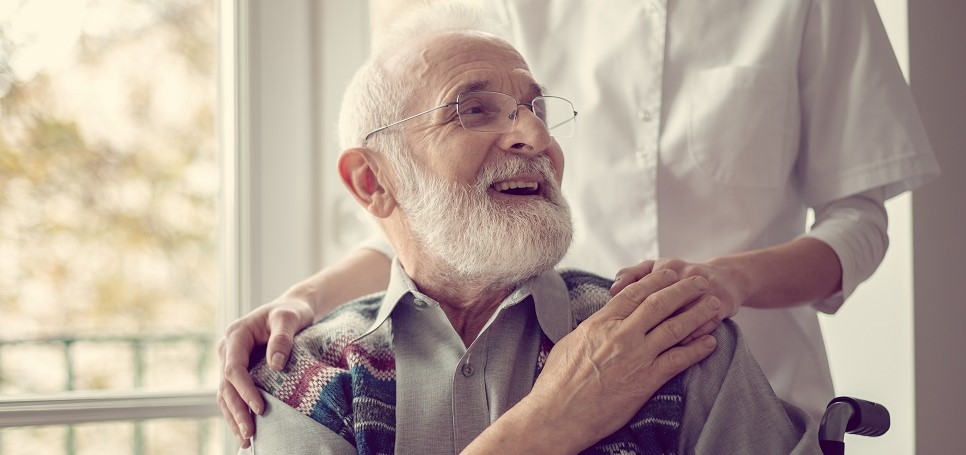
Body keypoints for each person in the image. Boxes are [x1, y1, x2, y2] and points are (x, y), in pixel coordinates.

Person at [218, 0, 940, 445]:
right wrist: (303, 303)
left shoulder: (810, 3)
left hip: (734, 377)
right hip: (527, 364)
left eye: (536, 110)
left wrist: (724, 283)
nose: (530, 135)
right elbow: (443, 204)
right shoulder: (324, 382)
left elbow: (861, 219)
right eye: (485, 108)